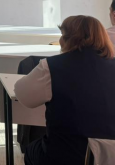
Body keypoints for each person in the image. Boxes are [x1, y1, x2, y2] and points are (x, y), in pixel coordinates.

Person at [14, 15, 115, 165]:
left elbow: (23, 96)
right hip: (110, 155)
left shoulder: (51, 66)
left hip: (67, 155)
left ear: (67, 39)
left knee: (31, 149)